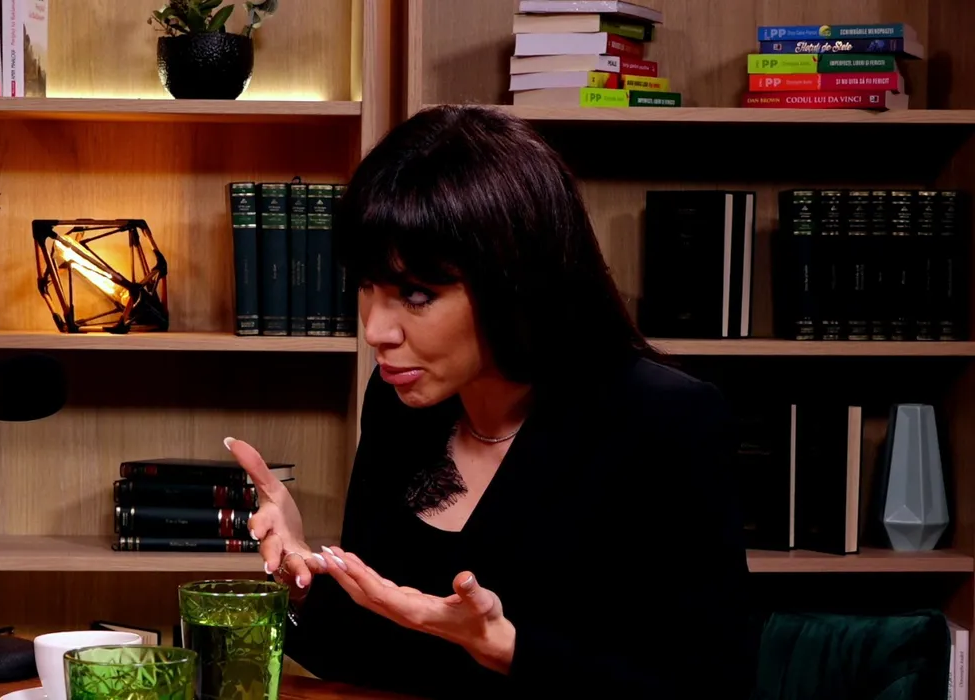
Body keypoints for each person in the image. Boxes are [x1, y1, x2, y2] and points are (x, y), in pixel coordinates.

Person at [224, 105, 753, 699]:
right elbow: (374, 657)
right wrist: (301, 575)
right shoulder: (401, 402)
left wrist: (507, 650)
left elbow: (713, 686)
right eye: (367, 285)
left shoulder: (664, 421)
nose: (375, 330)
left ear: (514, 280)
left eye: (416, 294)